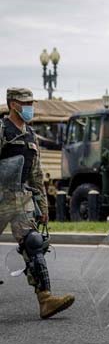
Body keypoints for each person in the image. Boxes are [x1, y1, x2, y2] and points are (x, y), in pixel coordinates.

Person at [0, 88, 75, 319]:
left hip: (21, 198)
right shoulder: (2, 130)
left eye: (31, 102)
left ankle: (46, 299)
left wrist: (42, 206)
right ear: (12, 104)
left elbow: (36, 173)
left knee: (33, 242)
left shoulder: (31, 134)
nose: (29, 107)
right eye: (25, 103)